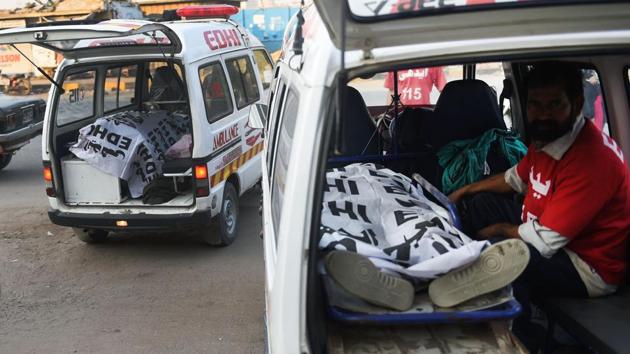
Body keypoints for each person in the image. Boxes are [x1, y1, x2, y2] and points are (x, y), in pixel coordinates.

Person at [448, 61, 630, 351]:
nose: (543, 114)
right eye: (535, 104)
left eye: (555, 104)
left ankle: (522, 340)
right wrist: (464, 191)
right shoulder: (548, 138)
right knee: (481, 204)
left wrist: (495, 232)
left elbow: (546, 241)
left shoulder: (592, 161)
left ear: (577, 103)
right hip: (546, 230)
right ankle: (466, 272)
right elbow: (513, 179)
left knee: (503, 252)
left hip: (586, 266)